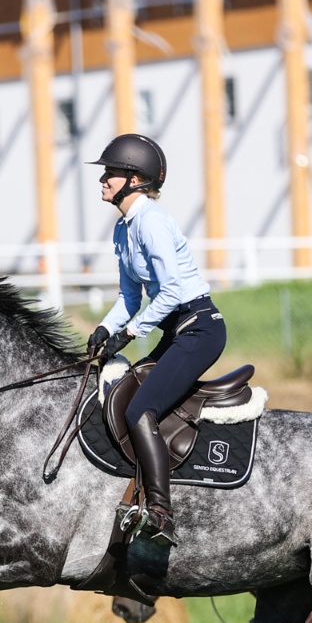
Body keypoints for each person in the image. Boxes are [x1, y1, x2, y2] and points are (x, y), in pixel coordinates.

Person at [85, 133, 223, 547]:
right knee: (125, 395)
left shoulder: (152, 222)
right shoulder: (124, 229)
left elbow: (173, 293)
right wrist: (106, 328)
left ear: (134, 178)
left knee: (140, 408)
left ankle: (161, 513)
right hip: (175, 328)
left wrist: (131, 333)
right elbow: (130, 296)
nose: (103, 180)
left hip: (199, 328)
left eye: (110, 173)